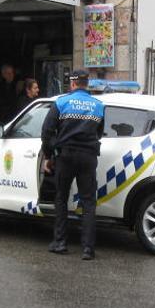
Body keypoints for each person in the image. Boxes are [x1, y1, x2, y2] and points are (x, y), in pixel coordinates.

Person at [41, 69, 105, 260]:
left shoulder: (61, 102)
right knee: (88, 202)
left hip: (65, 156)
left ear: (74, 84)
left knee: (61, 198)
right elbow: (99, 133)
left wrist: (49, 154)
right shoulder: (98, 105)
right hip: (88, 157)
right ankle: (88, 249)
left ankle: (60, 243)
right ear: (87, 84)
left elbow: (46, 132)